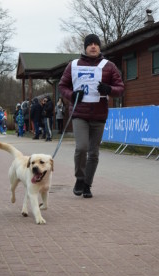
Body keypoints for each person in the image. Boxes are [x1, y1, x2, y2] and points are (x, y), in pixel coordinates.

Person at [59, 33, 124, 198]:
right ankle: (79, 179)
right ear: (85, 47)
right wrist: (73, 95)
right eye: (90, 44)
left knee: (93, 153)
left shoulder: (108, 66)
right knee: (81, 148)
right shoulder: (73, 65)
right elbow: (62, 86)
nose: (93, 46)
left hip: (99, 114)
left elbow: (120, 87)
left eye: (96, 44)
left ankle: (87, 184)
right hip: (79, 113)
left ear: (99, 47)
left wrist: (109, 89)